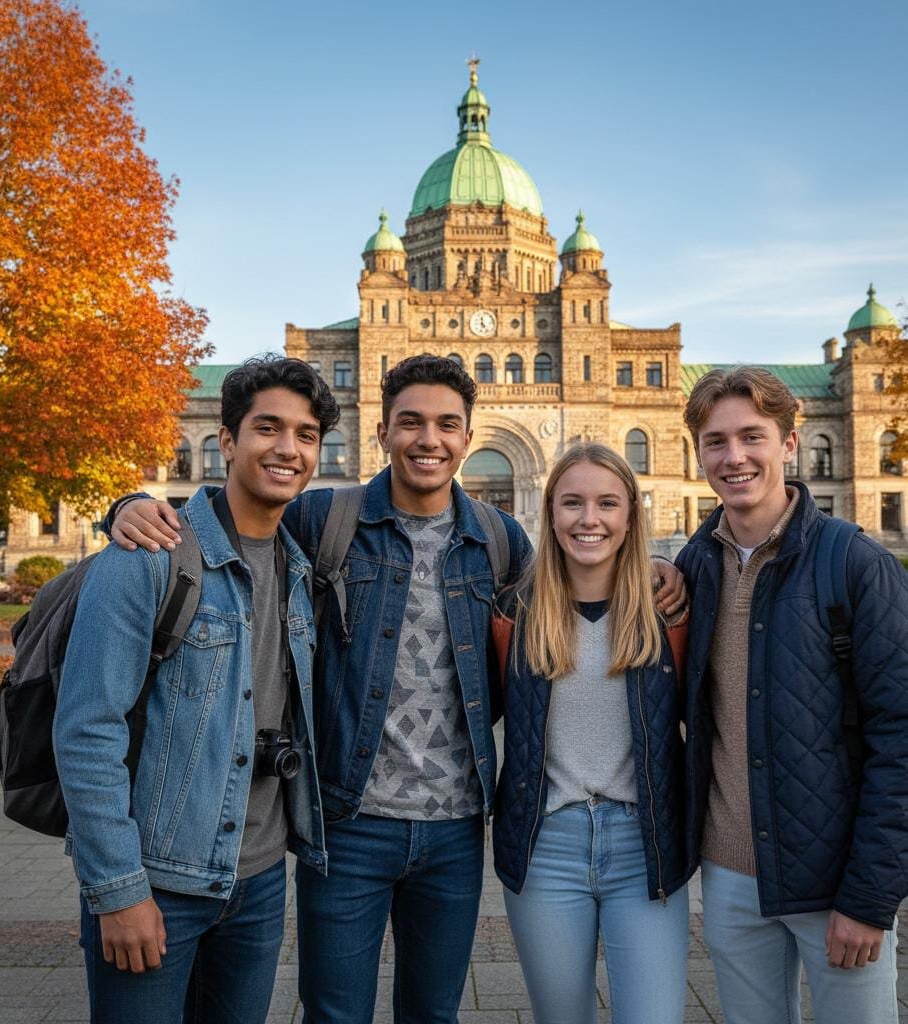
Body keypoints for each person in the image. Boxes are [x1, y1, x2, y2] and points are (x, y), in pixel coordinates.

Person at [109, 354, 687, 1024]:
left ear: (469, 438)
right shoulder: (324, 519)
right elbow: (232, 525)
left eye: (446, 424)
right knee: (334, 1012)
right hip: (348, 822)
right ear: (380, 431)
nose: (428, 439)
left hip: (455, 830)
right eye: (410, 422)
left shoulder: (497, 540)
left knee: (432, 1013)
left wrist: (652, 559)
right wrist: (132, 506)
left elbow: (576, 573)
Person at [54, 356, 339, 1023]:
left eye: (304, 435)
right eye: (267, 428)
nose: (286, 449)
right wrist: (117, 890)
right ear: (227, 440)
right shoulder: (151, 554)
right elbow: (87, 728)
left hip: (261, 882)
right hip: (159, 881)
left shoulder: (301, 568)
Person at [677, 366, 908, 1024]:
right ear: (697, 453)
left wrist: (869, 896)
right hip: (727, 878)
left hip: (833, 879)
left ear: (789, 443)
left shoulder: (854, 563)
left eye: (752, 436)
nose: (733, 457)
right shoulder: (693, 568)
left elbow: (900, 735)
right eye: (715, 441)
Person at [491, 442, 693, 1024]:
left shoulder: (668, 613)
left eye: (607, 503)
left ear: (630, 514)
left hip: (645, 847)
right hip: (545, 846)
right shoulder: (513, 613)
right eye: (572, 502)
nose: (589, 519)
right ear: (550, 511)